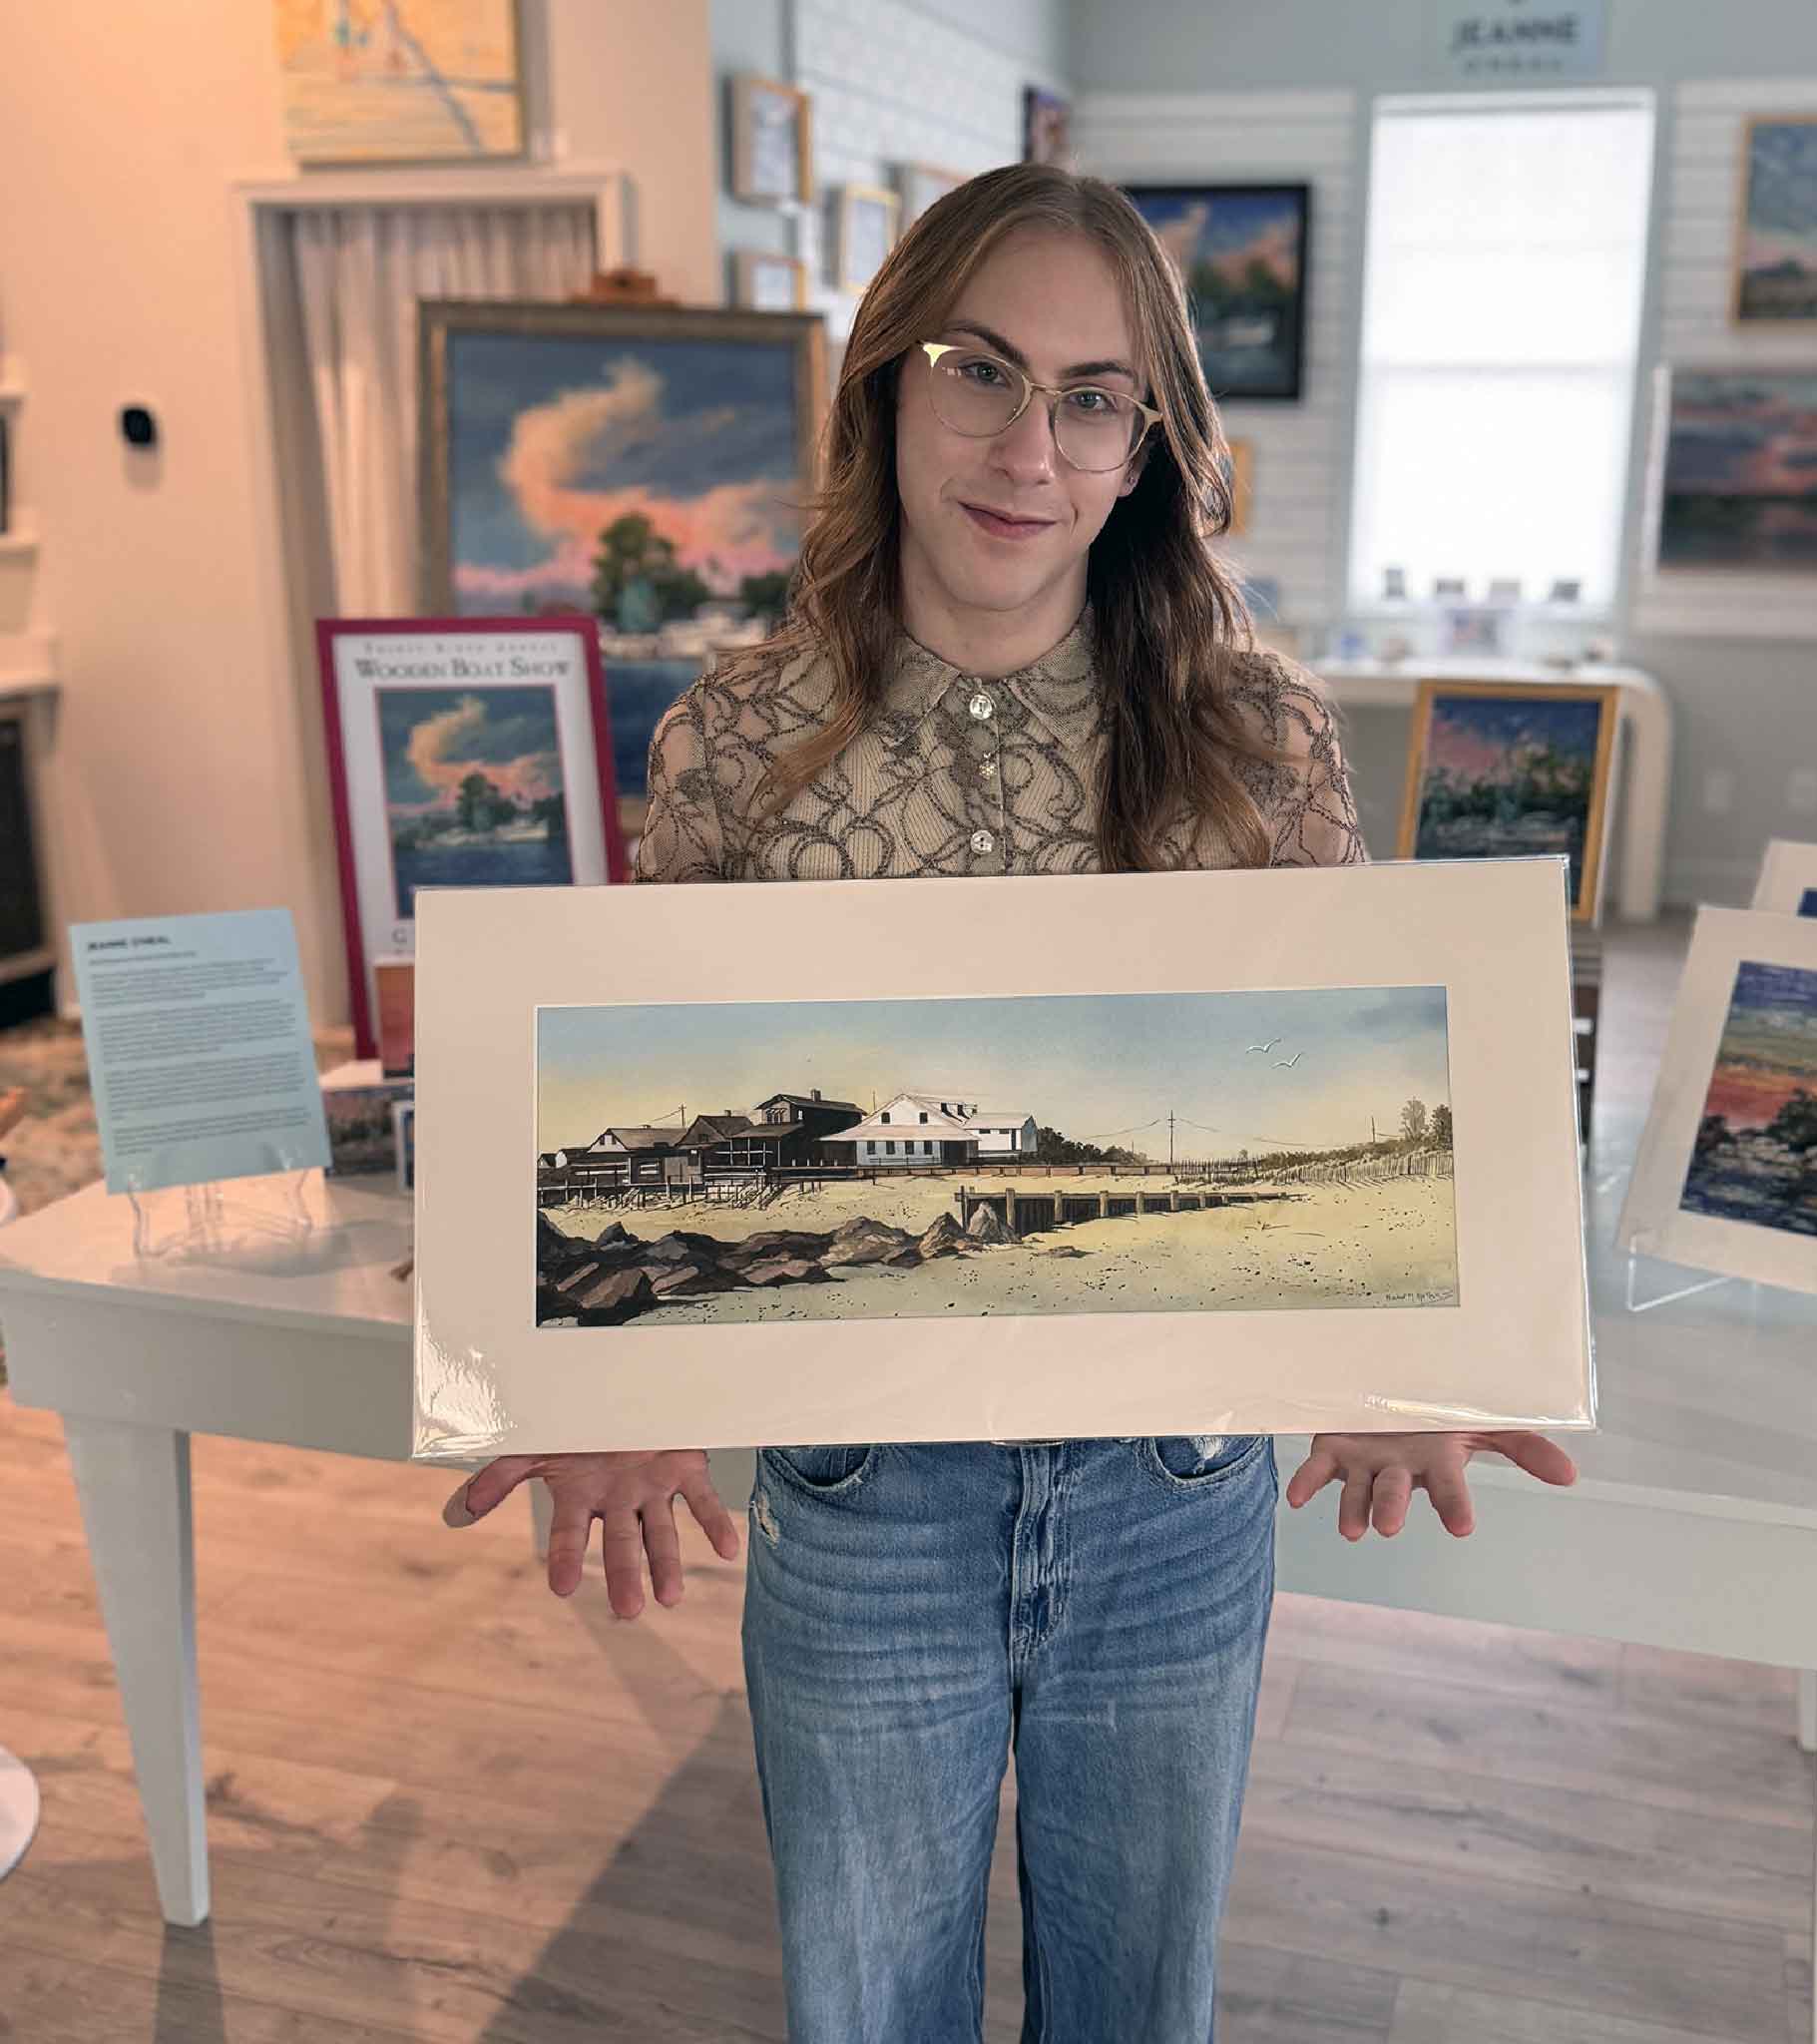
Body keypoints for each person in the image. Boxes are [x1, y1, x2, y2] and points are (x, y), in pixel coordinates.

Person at [445, 163, 1578, 2043]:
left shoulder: (1260, 738)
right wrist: (596, 1383)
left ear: (1146, 447)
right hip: (862, 1505)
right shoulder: (736, 736)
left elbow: (1395, 1073)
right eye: (978, 370)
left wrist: (1414, 1352)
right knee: (867, 2004)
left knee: (1141, 2004)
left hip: (1177, 1498)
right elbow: (618, 1085)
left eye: (1090, 395)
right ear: (887, 385)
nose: (1026, 445)